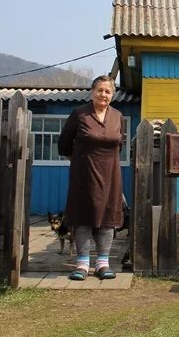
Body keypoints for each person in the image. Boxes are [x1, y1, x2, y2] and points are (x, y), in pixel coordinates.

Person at [58, 75, 124, 280]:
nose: (103, 94)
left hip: (110, 176)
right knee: (83, 218)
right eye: (100, 90)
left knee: (107, 219)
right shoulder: (79, 115)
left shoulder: (117, 116)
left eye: (108, 91)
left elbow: (118, 145)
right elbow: (63, 145)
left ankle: (103, 264)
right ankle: (82, 265)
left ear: (112, 95)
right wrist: (81, 162)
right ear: (92, 92)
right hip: (84, 177)